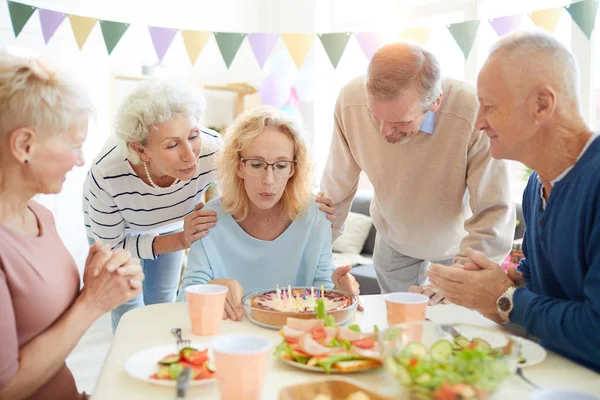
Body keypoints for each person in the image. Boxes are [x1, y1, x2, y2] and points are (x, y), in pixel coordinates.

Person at [83, 81, 339, 331]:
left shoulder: (211, 150)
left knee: (162, 302)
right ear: (141, 150)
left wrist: (310, 202)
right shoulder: (107, 173)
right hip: (119, 236)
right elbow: (112, 247)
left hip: (174, 223)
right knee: (128, 307)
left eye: (193, 135)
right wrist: (182, 240)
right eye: (172, 144)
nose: (190, 154)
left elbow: (263, 170)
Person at [426, 31, 600, 373]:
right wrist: (493, 282)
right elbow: (542, 285)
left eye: (490, 107)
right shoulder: (535, 184)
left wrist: (504, 299)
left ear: (542, 105)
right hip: (551, 374)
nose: (478, 123)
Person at [320, 41, 515, 302]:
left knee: (448, 324)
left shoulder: (472, 112)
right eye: (375, 117)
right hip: (392, 236)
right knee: (398, 323)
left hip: (454, 242)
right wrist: (316, 255)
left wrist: (463, 275)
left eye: (400, 122)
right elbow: (336, 188)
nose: (384, 132)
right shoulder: (350, 101)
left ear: (436, 102)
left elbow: (494, 211)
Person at [0, 53, 144, 400]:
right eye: (75, 144)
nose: (80, 159)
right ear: (24, 145)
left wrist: (99, 283)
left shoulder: (39, 215)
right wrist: (92, 303)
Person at [178, 106, 360, 320]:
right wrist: (211, 289)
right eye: (256, 164)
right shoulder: (208, 220)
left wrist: (341, 292)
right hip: (230, 337)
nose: (269, 180)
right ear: (239, 167)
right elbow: (183, 300)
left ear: (293, 169)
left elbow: (322, 291)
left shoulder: (316, 216)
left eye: (281, 166)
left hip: (293, 336)